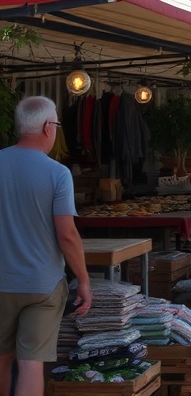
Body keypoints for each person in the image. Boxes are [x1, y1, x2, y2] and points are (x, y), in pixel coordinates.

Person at [0, 97, 92, 396]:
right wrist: (84, 280)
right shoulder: (57, 173)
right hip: (42, 284)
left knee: (1, 359)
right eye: (56, 125)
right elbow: (67, 234)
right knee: (30, 363)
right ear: (46, 127)